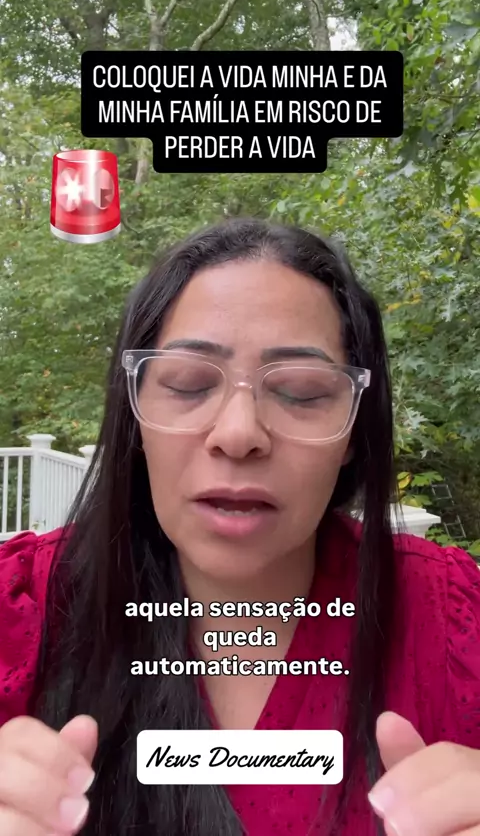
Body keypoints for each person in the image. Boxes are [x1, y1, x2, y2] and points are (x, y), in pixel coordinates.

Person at [0, 218, 479, 836]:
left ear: (353, 433)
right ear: (135, 416)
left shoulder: (452, 618)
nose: (238, 433)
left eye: (302, 393)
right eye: (188, 384)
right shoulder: (20, 610)